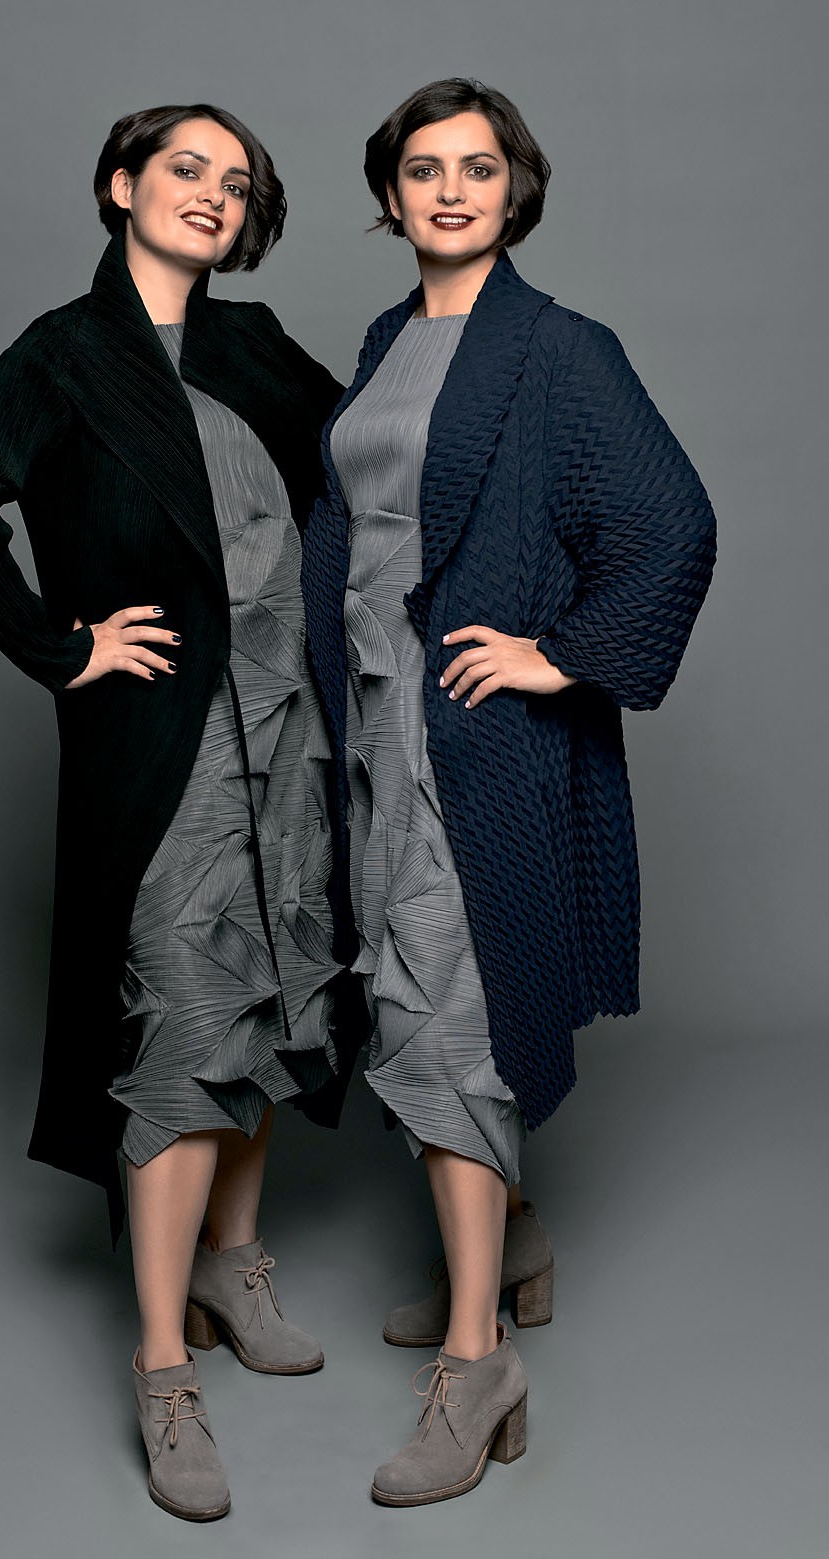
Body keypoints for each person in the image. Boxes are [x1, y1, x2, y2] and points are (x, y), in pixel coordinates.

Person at [0, 103, 347, 1522]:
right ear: (121, 185)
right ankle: (164, 1366)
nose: (212, 194)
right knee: (182, 1023)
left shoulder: (255, 348)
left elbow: (368, 470)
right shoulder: (65, 352)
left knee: (275, 998)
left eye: (237, 182)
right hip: (165, 742)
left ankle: (233, 1262)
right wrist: (64, 646)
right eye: (185, 170)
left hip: (293, 730)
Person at [301, 77, 716, 1507]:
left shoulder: (559, 349)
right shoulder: (387, 340)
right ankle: (511, 1243)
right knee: (406, 985)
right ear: (392, 194)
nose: (452, 190)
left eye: (479, 168)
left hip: (468, 737)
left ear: (516, 189)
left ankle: (477, 1366)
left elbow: (670, 523)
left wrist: (561, 655)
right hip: (373, 720)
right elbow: (355, 523)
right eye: (425, 169)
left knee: (446, 1012)